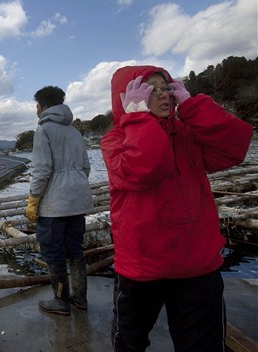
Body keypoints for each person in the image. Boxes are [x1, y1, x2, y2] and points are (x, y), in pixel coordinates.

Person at [101, 65, 253, 351]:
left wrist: (193, 107)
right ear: (127, 97)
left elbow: (235, 148)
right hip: (142, 266)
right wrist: (136, 118)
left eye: (166, 88)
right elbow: (145, 168)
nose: (163, 95)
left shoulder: (187, 133)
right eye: (150, 89)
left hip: (196, 264)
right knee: (129, 342)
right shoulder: (114, 141)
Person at [25, 86, 94, 316]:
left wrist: (34, 199)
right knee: (75, 249)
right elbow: (86, 166)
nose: (36, 110)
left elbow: (42, 169)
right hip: (78, 200)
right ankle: (81, 298)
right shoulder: (74, 131)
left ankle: (61, 301)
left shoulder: (43, 130)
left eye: (37, 105)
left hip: (55, 206)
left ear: (44, 106)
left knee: (54, 253)